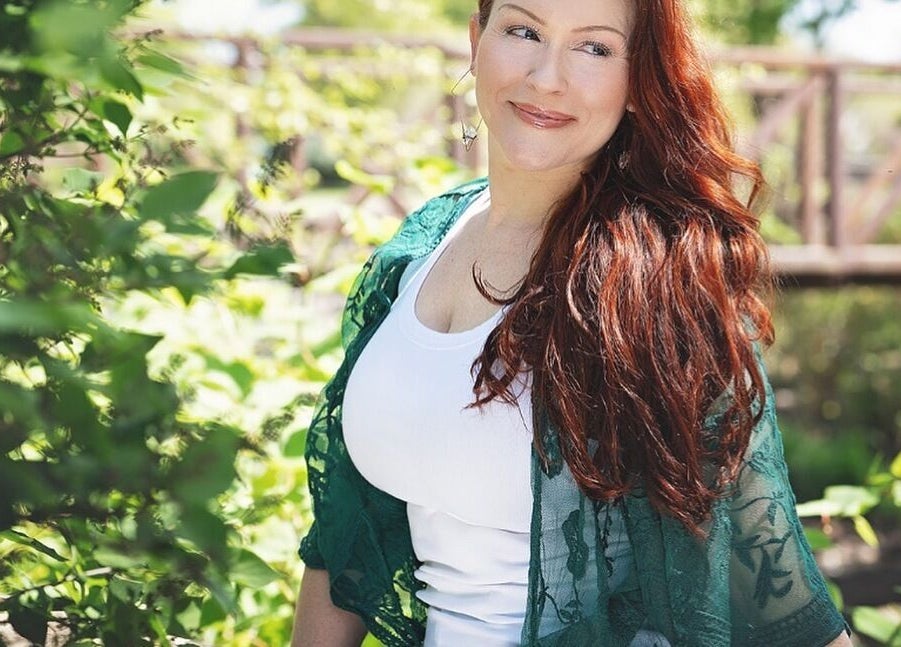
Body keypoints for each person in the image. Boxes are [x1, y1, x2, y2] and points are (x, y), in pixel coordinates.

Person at [291, 0, 853, 645]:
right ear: (477, 41)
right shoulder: (420, 247)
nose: (547, 77)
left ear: (639, 79)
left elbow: (776, 590)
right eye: (523, 31)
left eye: (595, 48)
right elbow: (346, 529)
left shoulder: (654, 288)